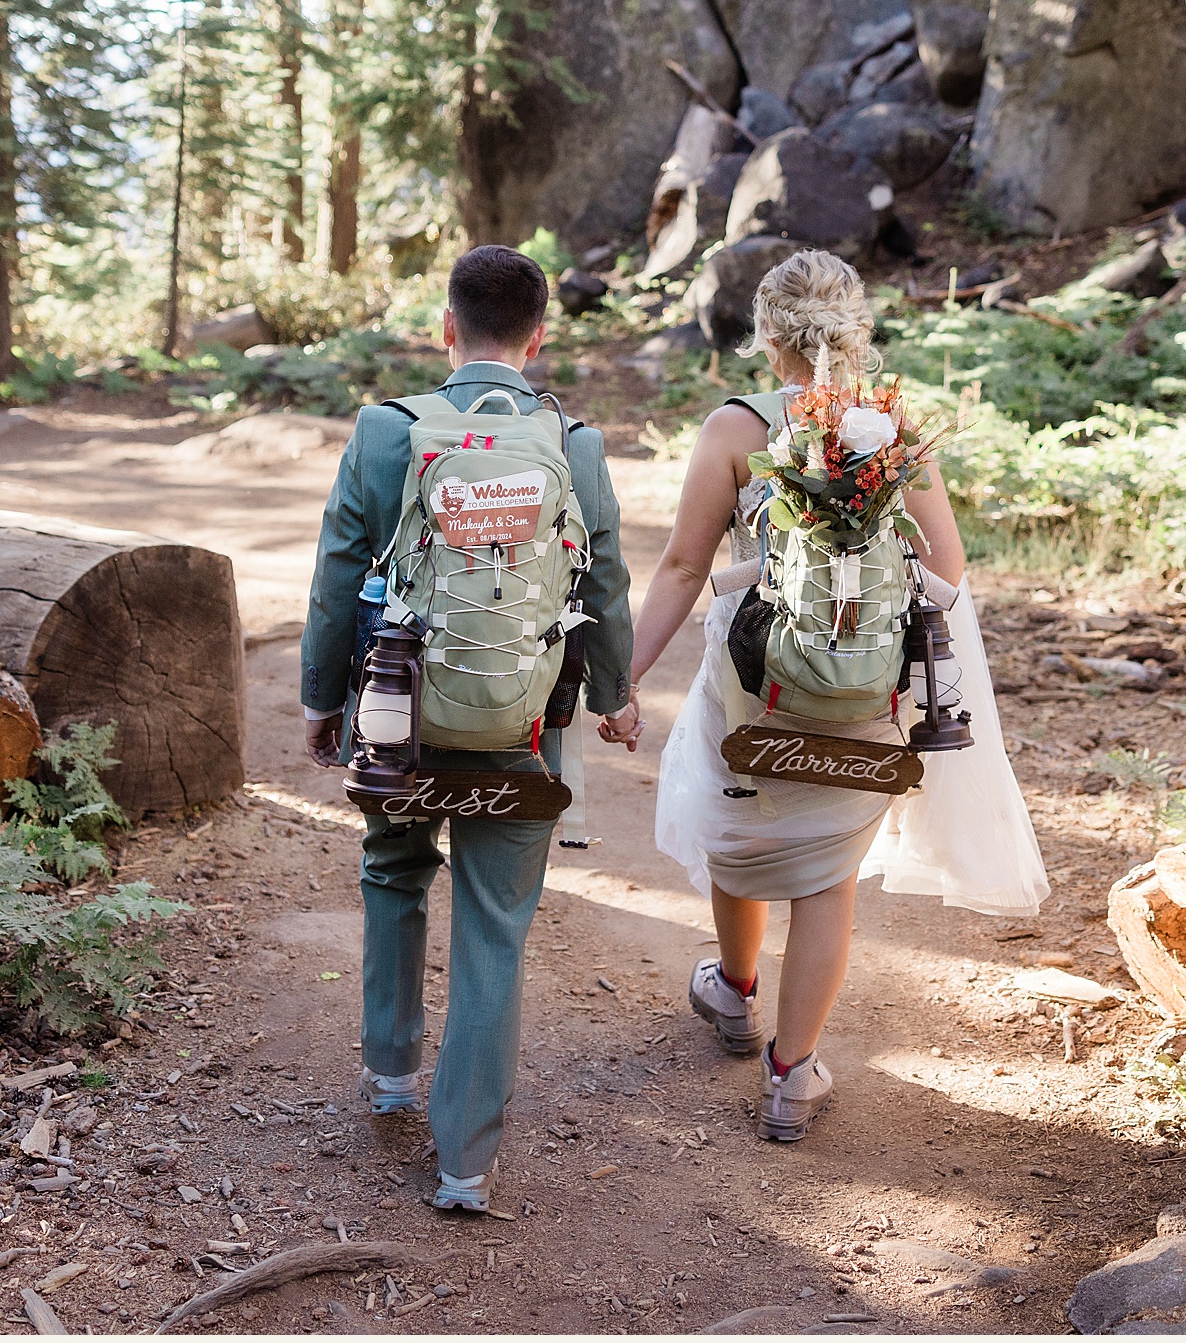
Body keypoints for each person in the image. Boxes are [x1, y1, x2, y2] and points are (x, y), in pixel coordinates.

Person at [629, 248, 1048, 1141]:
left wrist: (619, 676)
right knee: (828, 874)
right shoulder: (892, 427)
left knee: (739, 825)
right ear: (858, 332)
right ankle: (791, 1075)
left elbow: (679, 566)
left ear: (767, 337)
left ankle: (735, 996)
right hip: (866, 690)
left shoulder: (734, 429)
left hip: (756, 679)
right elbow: (947, 567)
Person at [299, 244, 641, 1216]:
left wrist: (323, 698)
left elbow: (335, 575)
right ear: (538, 337)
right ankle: (464, 1165)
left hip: (401, 709)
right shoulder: (570, 442)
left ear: (444, 328)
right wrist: (614, 690)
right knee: (495, 926)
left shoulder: (384, 430)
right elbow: (603, 577)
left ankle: (391, 1069)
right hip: (521, 721)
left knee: (393, 869)